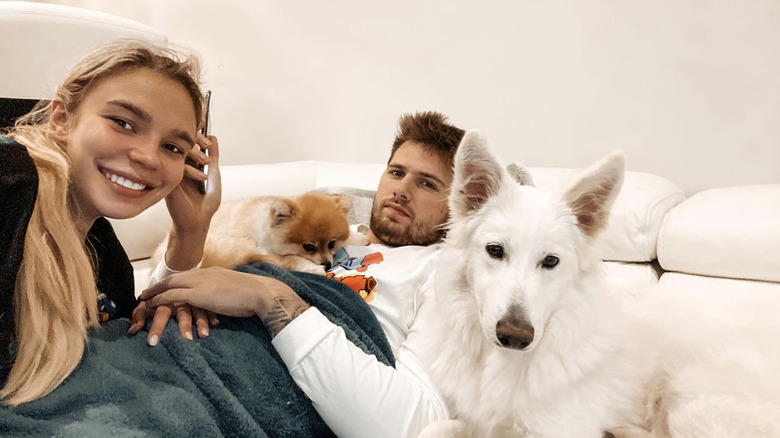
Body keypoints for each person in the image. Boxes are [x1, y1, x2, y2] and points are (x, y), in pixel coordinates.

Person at [141, 111, 466, 437]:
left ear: (458, 203)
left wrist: (271, 296)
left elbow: (418, 425)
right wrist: (190, 231)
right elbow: (158, 294)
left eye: (427, 183)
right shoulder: (328, 229)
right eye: (396, 172)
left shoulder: (444, 270)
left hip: (258, 376)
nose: (402, 190)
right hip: (182, 343)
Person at [0, 39, 221, 406]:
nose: (148, 157)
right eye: (123, 122)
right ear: (61, 119)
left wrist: (192, 231)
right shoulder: (12, 178)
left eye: (172, 148)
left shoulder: (100, 251)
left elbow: (135, 324)